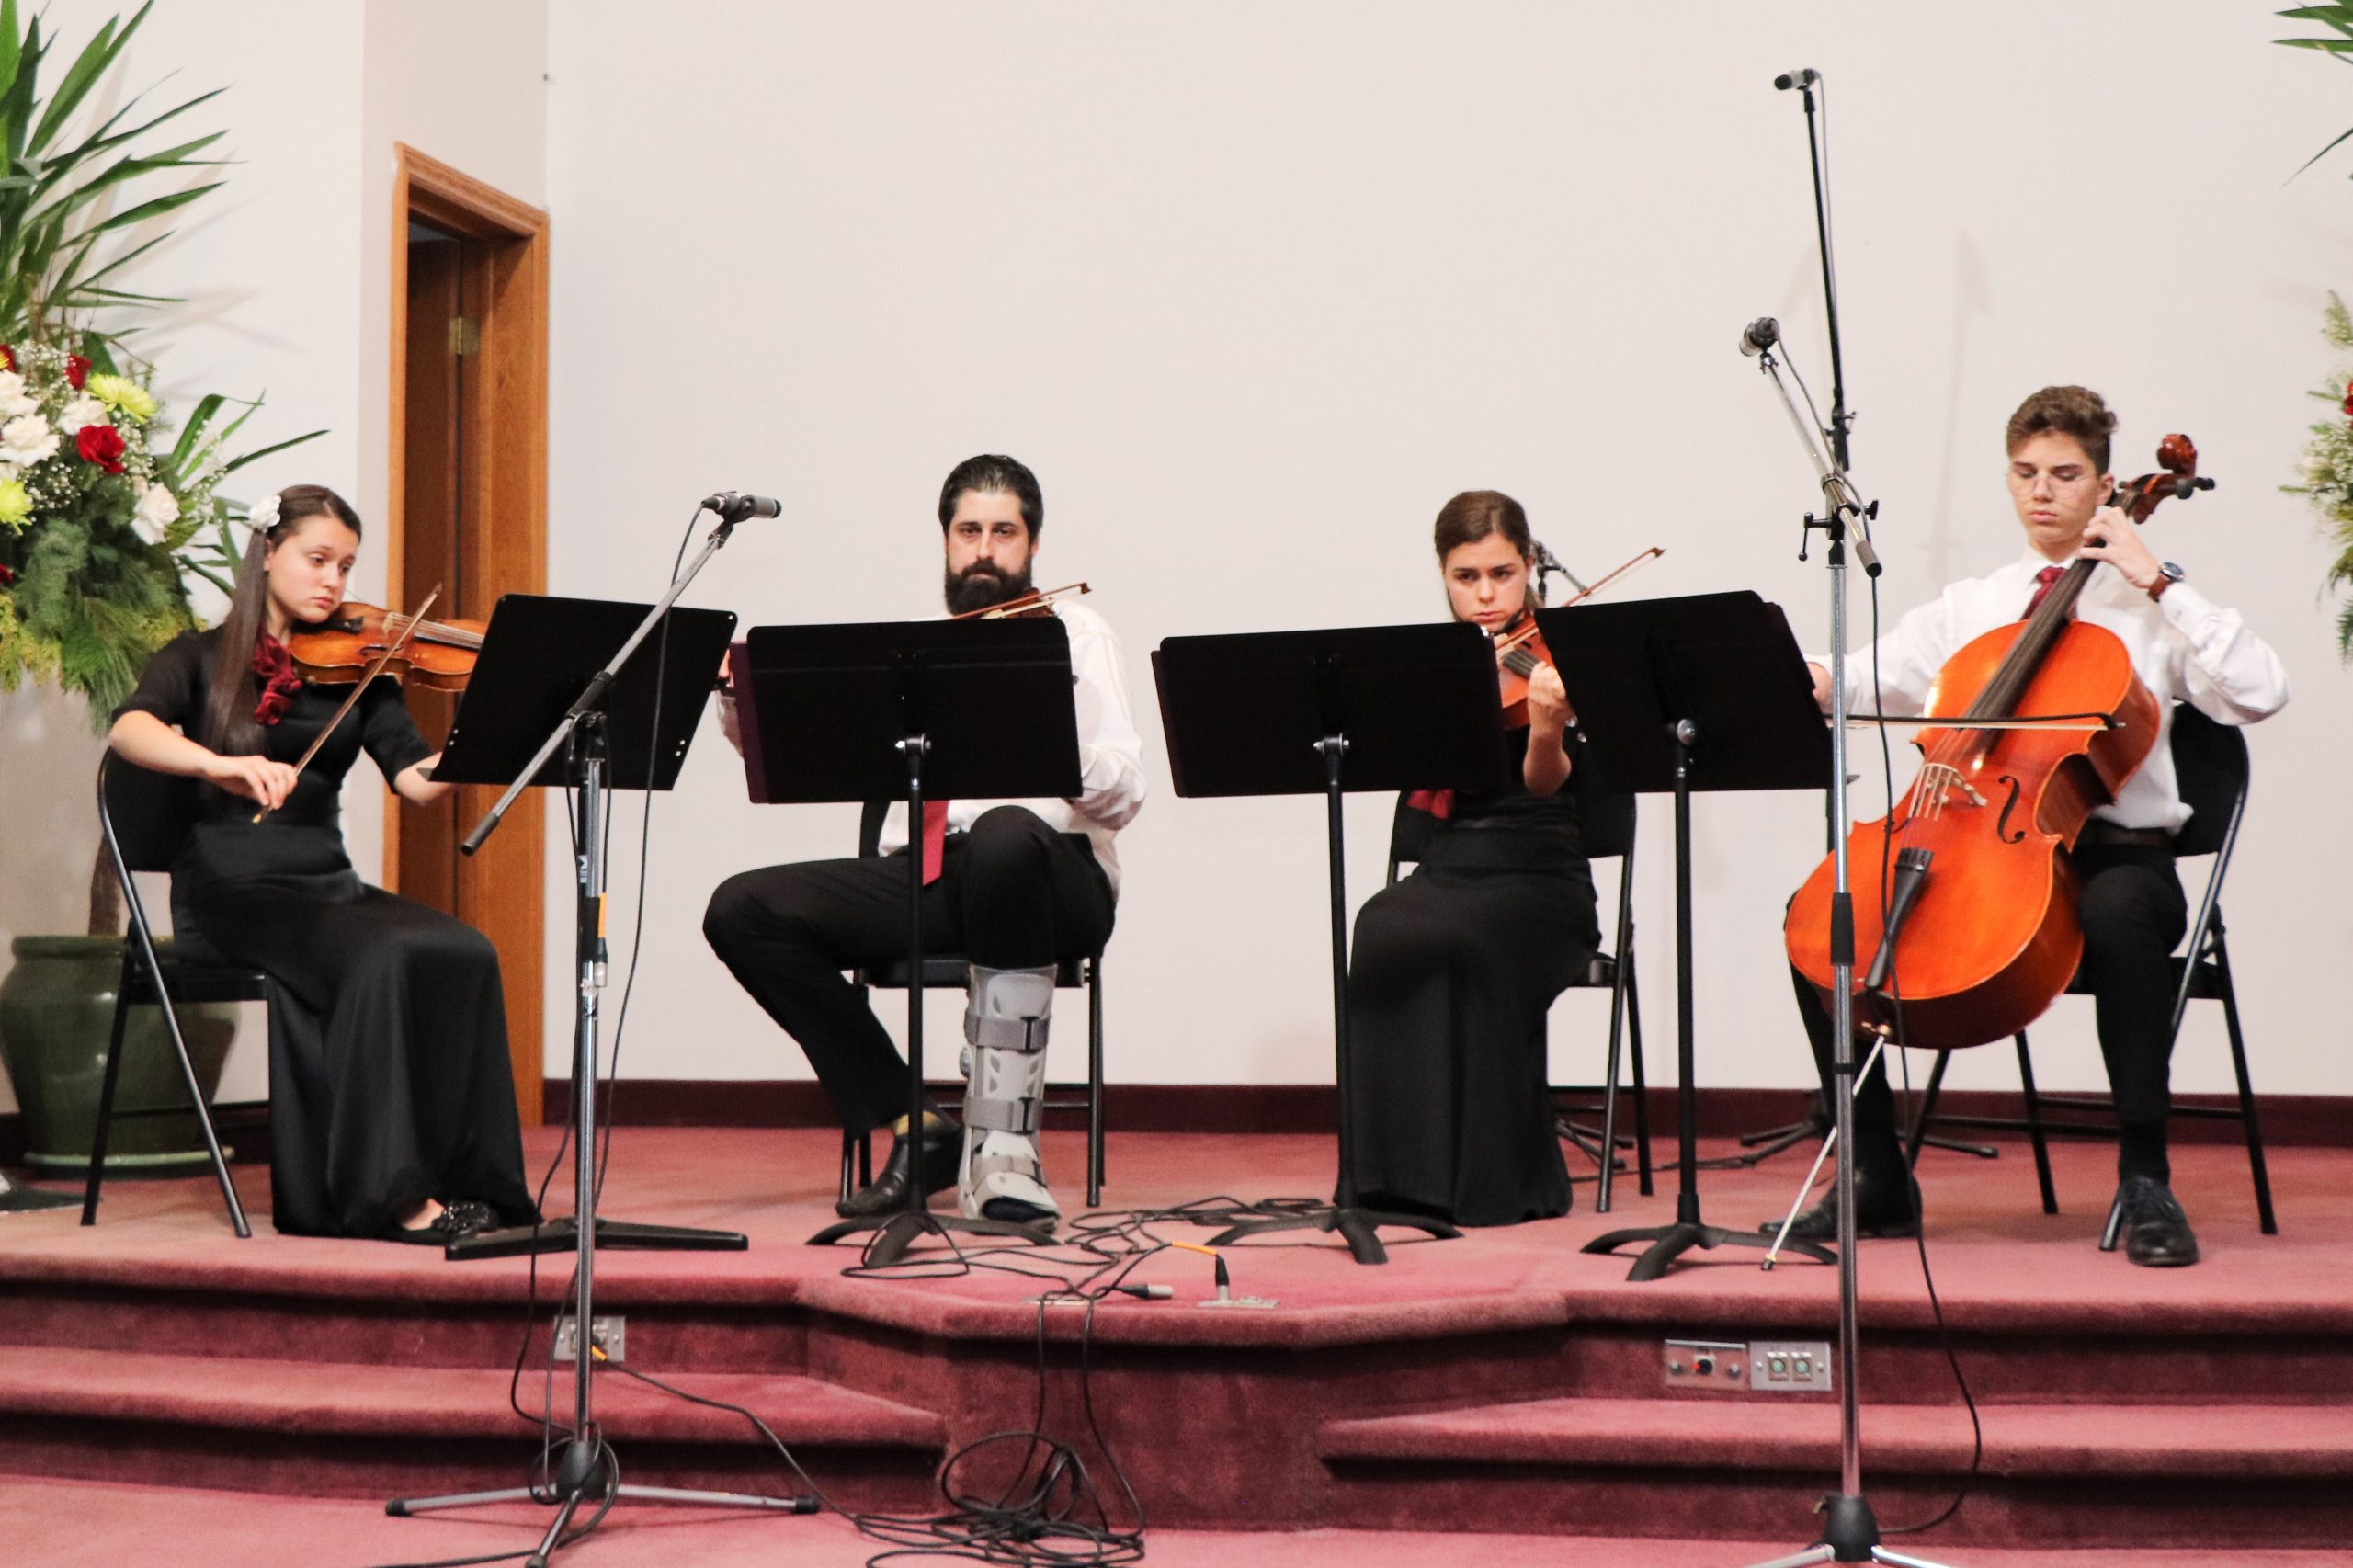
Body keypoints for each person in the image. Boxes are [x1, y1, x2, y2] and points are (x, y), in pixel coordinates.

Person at [1769, 386, 2289, 1267]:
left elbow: (2260, 691)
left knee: (2120, 915)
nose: (2041, 491)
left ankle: (2145, 1175)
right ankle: (1875, 1173)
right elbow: (1860, 676)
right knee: (1825, 918)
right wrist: (1795, 673)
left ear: (2107, 486)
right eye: (2025, 473)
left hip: (2118, 856)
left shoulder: (2150, 611)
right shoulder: (1973, 606)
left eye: (2065, 474)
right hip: (1980, 848)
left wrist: (2160, 581)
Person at [704, 454, 1146, 1228]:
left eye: (1003, 532)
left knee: (1007, 834)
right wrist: (738, 700)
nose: (985, 549)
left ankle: (1004, 1149)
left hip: (1054, 878)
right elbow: (809, 752)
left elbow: (1126, 790)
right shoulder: (919, 650)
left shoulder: (1073, 633)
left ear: (1033, 545)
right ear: (945, 541)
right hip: (939, 874)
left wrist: (1039, 734)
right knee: (743, 910)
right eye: (968, 531)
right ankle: (918, 1123)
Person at [108, 485, 539, 1244]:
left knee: (463, 950)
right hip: (229, 888)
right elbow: (129, 730)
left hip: (326, 885)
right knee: (379, 955)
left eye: (345, 566)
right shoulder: (198, 658)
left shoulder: (359, 669)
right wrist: (219, 764)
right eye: (317, 560)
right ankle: (389, 1198)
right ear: (267, 553)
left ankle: (476, 1183)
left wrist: (490, 736)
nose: (333, 581)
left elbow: (415, 782)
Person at [1338, 491, 1603, 1227]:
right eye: (1466, 577)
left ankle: (1490, 1183)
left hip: (1541, 872)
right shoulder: (1436, 665)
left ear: (1530, 566)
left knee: (1463, 935)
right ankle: (1394, 1180)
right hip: (1453, 862)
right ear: (1444, 576)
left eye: (1501, 574)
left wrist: (1546, 727)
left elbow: (1547, 784)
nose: (1486, 594)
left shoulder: (1558, 659)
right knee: (1380, 924)